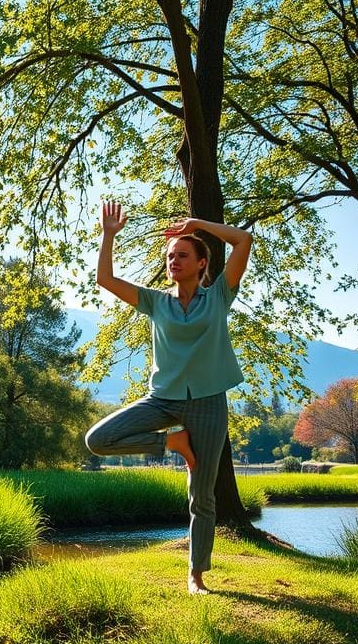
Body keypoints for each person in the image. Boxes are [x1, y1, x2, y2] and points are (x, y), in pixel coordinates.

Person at [85, 200, 252, 594]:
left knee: (203, 495)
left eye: (182, 255)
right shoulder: (155, 302)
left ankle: (196, 575)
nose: (174, 260)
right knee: (98, 439)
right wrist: (109, 235)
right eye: (170, 256)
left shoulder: (219, 296)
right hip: (163, 400)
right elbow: (106, 280)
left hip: (209, 403)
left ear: (200, 264)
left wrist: (195, 222)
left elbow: (243, 240)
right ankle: (171, 442)